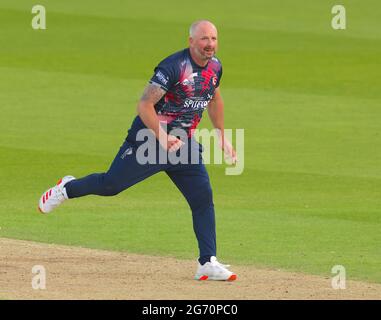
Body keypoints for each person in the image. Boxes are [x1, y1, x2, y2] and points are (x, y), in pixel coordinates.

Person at [38, 20, 237, 281]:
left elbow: (214, 98)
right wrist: (162, 136)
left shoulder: (215, 67)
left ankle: (207, 262)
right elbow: (144, 105)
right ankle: (66, 188)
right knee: (111, 185)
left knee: (202, 198)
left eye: (213, 39)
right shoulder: (174, 67)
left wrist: (221, 134)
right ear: (191, 41)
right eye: (204, 39)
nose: (209, 44)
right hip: (149, 139)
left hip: (183, 145)